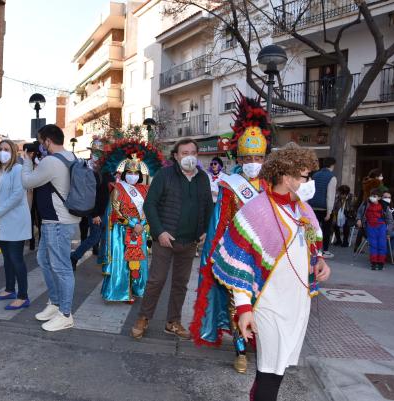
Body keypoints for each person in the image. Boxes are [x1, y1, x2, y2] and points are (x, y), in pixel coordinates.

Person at [213, 143, 331, 401]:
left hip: (297, 302)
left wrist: (319, 260)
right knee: (270, 371)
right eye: (305, 176)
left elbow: (312, 243)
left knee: (275, 370)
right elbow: (239, 263)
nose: (309, 181)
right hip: (269, 304)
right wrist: (243, 309)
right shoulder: (257, 211)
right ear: (287, 178)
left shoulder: (302, 207)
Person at [190, 94, 271, 374]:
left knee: (263, 305)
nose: (252, 162)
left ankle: (262, 344)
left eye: (257, 157)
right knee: (238, 304)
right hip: (236, 254)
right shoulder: (230, 184)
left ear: (264, 158)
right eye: (248, 157)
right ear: (239, 157)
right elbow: (219, 220)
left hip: (265, 256)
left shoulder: (273, 186)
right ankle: (240, 350)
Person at [131, 138, 212, 340]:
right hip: (165, 240)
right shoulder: (164, 175)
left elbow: (208, 206)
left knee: (180, 283)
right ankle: (143, 318)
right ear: (176, 156)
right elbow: (150, 205)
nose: (189, 156)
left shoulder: (203, 178)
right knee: (156, 280)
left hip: (189, 241)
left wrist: (205, 230)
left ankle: (173, 322)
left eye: (193, 152)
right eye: (184, 153)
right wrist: (160, 232)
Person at [21, 124, 80, 332]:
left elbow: (27, 182)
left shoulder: (51, 161)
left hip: (57, 222)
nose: (40, 146)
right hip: (59, 220)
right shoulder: (71, 156)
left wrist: (27, 162)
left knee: (62, 267)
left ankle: (65, 314)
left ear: (47, 141)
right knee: (44, 260)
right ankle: (55, 303)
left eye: (41, 141)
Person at [0, 139, 31, 310]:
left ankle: (23, 295)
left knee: (16, 258)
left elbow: (18, 195)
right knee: (6, 256)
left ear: (13, 152)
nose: (3, 152)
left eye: (6, 149)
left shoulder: (18, 169)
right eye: (0, 149)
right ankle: (10, 289)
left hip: (14, 220)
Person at [101, 155, 150, 302]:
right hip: (122, 230)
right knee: (122, 261)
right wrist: (132, 224)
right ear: (124, 173)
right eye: (129, 172)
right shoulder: (117, 189)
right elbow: (115, 212)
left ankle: (138, 288)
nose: (132, 176)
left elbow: (149, 208)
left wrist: (142, 224)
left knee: (139, 261)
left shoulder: (144, 190)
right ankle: (123, 291)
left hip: (140, 230)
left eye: (136, 173)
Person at [70, 139, 112, 270]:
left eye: (99, 152)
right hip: (94, 211)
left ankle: (103, 260)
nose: (97, 154)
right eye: (95, 151)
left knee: (102, 236)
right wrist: (95, 214)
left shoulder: (104, 168)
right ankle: (74, 256)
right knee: (94, 237)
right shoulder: (87, 168)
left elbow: (106, 186)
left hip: (103, 210)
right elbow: (89, 193)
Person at [356, 188, 394, 270]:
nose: (372, 197)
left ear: (379, 198)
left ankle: (381, 263)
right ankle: (374, 263)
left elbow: (390, 220)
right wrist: (359, 219)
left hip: (381, 228)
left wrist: (388, 232)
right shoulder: (366, 203)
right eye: (371, 196)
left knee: (382, 245)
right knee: (373, 245)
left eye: (375, 196)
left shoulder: (384, 206)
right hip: (370, 227)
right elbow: (359, 212)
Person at [308, 157, 337, 258]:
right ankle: (325, 250)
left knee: (314, 229)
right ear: (332, 165)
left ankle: (312, 249)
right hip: (324, 208)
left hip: (313, 206)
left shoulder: (315, 175)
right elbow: (330, 196)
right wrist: (329, 212)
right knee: (326, 230)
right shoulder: (332, 177)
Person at [382, 191, 394, 255]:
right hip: (380, 230)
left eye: (389, 197)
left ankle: (386, 254)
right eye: (385, 197)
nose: (387, 199)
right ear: (381, 197)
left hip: (389, 231)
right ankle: (386, 254)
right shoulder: (379, 207)